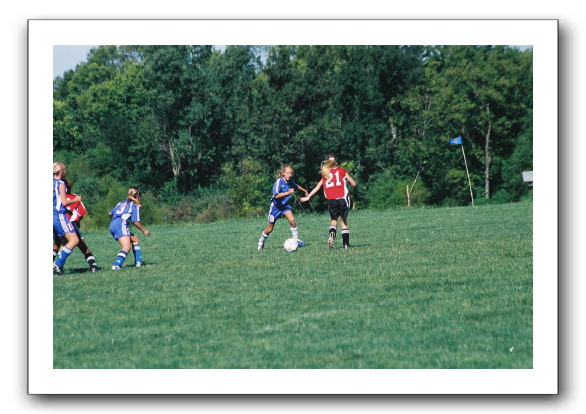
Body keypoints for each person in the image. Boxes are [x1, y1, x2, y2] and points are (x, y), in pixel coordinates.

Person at [300, 155, 357, 249]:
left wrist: (308, 197)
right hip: (343, 199)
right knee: (344, 222)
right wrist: (347, 178)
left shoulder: (325, 174)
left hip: (332, 201)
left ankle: (332, 233)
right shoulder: (342, 170)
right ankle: (346, 244)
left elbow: (318, 187)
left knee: (333, 221)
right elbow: (354, 184)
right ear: (336, 162)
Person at [257, 164, 309, 250]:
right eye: (287, 173)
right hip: (275, 207)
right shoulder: (279, 182)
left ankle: (296, 241)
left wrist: (305, 190)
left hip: (285, 206)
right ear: (283, 173)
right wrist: (288, 192)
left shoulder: (290, 182)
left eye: (291, 173)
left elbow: (296, 186)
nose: (289, 175)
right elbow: (276, 195)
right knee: (269, 229)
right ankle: (261, 241)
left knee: (292, 221)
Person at [53, 180, 98, 272]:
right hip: (67, 222)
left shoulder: (55, 197)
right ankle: (93, 266)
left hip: (55, 221)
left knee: (57, 243)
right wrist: (76, 222)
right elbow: (80, 213)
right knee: (80, 244)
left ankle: (57, 265)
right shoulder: (74, 197)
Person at [109, 187, 151, 269]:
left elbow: (110, 213)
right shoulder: (135, 205)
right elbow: (135, 221)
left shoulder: (121, 203)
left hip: (112, 225)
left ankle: (139, 262)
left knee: (135, 239)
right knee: (127, 247)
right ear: (137, 196)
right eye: (140, 196)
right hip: (120, 225)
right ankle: (116, 265)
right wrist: (144, 230)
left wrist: (116, 221)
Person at [53, 162, 82, 275]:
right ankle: (57, 264)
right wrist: (76, 199)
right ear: (60, 170)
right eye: (64, 169)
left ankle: (58, 266)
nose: (65, 171)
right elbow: (64, 202)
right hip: (59, 215)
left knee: (65, 242)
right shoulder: (60, 183)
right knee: (74, 240)